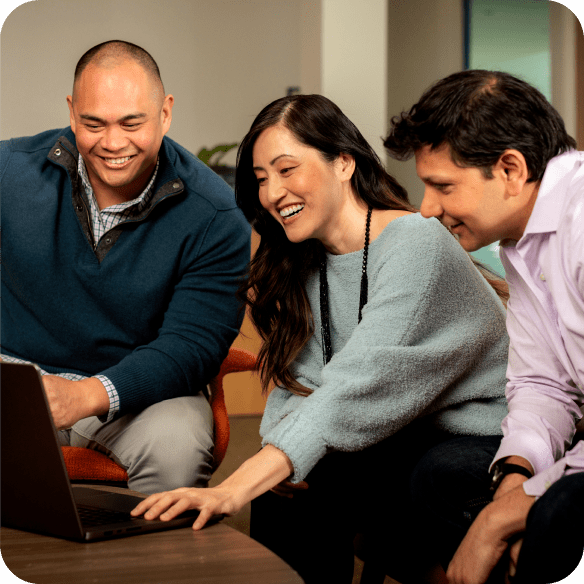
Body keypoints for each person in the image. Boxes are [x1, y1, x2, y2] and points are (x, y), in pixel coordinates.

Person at [131, 94, 510, 583]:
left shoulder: (417, 242)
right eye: (262, 179)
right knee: (289, 487)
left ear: (344, 163)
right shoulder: (307, 258)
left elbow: (360, 382)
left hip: (473, 433)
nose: (272, 193)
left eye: (287, 169)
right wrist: (280, 453)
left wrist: (233, 488)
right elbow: (304, 381)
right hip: (392, 430)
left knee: (399, 474)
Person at [0, 40, 251, 495]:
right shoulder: (6, 172)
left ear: (165, 112)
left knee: (178, 449)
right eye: (93, 123)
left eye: (131, 123)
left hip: (139, 397)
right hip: (14, 381)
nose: (113, 143)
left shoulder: (216, 215)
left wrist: (85, 396)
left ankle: (137, 566)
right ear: (72, 112)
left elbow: (192, 346)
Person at [384, 69, 584, 584]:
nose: (427, 209)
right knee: (441, 475)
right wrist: (515, 475)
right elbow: (543, 384)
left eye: (442, 186)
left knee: (552, 512)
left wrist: (502, 516)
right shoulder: (523, 241)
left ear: (511, 169)